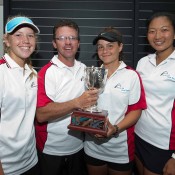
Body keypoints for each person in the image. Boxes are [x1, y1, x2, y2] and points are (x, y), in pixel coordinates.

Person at [35, 19, 98, 175]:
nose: (68, 42)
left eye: (72, 38)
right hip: (51, 149)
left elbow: (88, 106)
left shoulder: (84, 69)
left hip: (78, 147)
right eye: (62, 38)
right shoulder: (47, 72)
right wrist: (77, 102)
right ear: (54, 44)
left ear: (78, 43)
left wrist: (96, 125)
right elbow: (41, 114)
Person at [83, 27, 147, 175]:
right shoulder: (91, 74)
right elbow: (86, 106)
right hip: (93, 146)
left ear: (120, 47)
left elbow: (136, 111)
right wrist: (88, 126)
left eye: (110, 46)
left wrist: (115, 129)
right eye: (100, 47)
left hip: (120, 149)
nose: (105, 50)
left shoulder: (131, 75)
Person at [135, 12, 175, 175]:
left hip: (163, 144)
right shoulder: (143, 62)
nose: (158, 36)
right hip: (138, 135)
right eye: (152, 31)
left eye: (164, 29)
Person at [0, 15, 40, 175]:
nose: (26, 40)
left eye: (30, 35)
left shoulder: (32, 73)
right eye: (18, 35)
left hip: (31, 160)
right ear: (7, 40)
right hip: (8, 167)